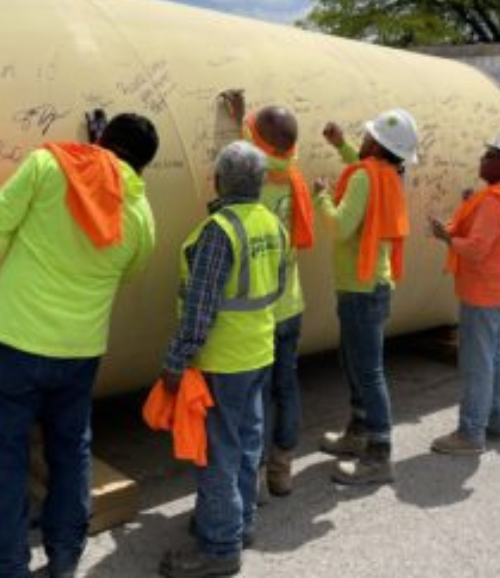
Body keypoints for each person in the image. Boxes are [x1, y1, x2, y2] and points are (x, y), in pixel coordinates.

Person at [0, 114, 159, 578]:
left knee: (6, 457)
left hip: (13, 342)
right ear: (143, 168)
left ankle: (6, 567)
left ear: (101, 140)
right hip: (78, 353)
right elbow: (129, 271)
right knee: (70, 451)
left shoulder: (48, 166)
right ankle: (64, 558)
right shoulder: (141, 216)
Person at [157, 141, 287, 578]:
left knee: (217, 452)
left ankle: (219, 547)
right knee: (248, 441)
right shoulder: (272, 223)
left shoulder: (220, 230)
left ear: (216, 181)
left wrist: (176, 361)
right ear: (262, 182)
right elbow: (279, 286)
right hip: (257, 352)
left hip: (222, 359)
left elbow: (200, 308)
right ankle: (240, 522)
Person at [314, 108, 418, 485]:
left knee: (368, 370)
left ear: (376, 143)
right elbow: (363, 170)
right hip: (371, 284)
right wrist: (341, 145)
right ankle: (358, 431)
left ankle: (379, 454)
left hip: (361, 289)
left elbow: (340, 227)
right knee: (355, 363)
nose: (364, 139)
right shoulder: (388, 175)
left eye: (367, 135)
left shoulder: (364, 178)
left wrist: (321, 197)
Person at [222, 91, 314, 497]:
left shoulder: (252, 176)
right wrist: (249, 121)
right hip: (290, 302)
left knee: (254, 395)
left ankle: (254, 477)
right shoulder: (293, 173)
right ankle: (282, 469)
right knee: (286, 387)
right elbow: (270, 141)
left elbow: (239, 157)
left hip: (256, 309)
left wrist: (237, 119)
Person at [428, 130, 500, 454]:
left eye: (490, 154)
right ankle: (497, 422)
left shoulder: (493, 201)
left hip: (482, 293)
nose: (483, 159)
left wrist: (444, 238)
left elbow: (476, 249)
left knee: (478, 364)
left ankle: (470, 434)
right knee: (497, 358)